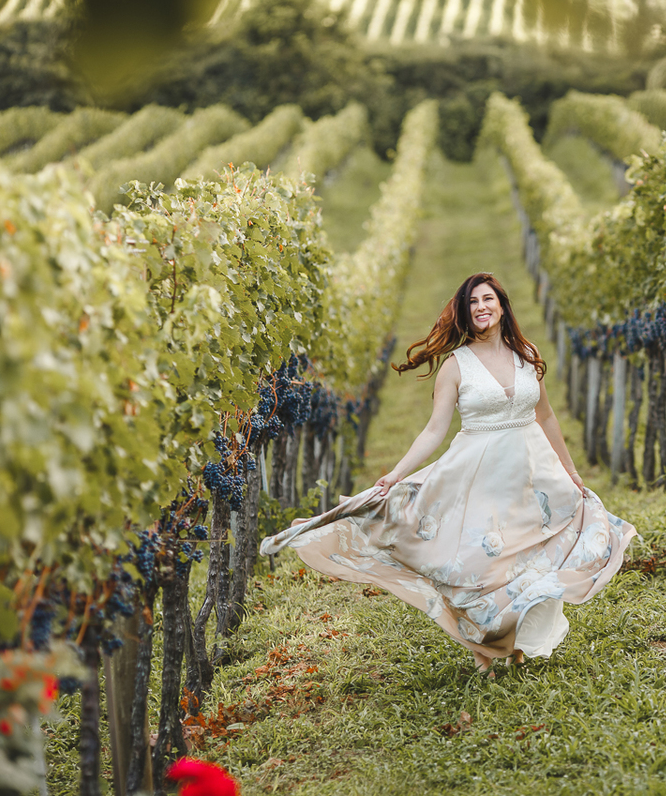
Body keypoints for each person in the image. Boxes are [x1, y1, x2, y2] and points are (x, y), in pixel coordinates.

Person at [260, 272, 638, 676]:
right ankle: (484, 649)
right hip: (477, 473)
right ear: (464, 312)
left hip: (531, 475)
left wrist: (571, 469)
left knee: (527, 556)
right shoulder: (456, 366)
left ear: (502, 306)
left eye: (488, 299)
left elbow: (545, 415)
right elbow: (434, 430)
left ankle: (513, 643)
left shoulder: (527, 353)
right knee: (481, 563)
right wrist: (395, 474)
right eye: (473, 302)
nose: (481, 307)